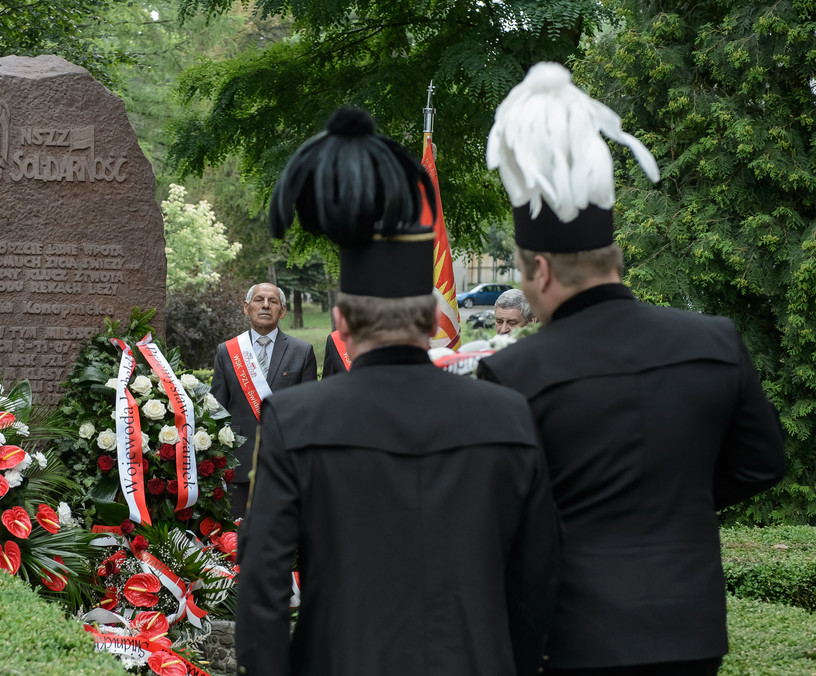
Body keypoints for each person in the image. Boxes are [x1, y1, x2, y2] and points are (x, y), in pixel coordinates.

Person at [479, 62, 787, 676]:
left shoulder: (516, 374)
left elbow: (505, 518)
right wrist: (683, 496)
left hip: (576, 635)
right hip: (692, 627)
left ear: (539, 271)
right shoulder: (715, 340)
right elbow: (763, 463)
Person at [235, 106, 559, 676]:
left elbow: (262, 586)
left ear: (343, 320)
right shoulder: (506, 414)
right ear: (434, 314)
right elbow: (536, 576)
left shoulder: (295, 418)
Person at [211, 282, 318, 519]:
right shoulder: (227, 351)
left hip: (285, 466)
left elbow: (311, 414)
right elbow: (216, 411)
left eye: (273, 301)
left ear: (283, 311)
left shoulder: (302, 351)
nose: (265, 306)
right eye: (259, 300)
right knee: (233, 545)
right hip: (237, 465)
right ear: (246, 307)